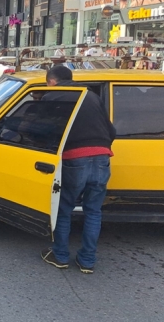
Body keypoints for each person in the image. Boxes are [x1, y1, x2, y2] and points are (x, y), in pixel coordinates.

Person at [40, 66, 116, 274]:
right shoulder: (90, 96)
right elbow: (111, 131)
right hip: (102, 157)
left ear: (52, 82)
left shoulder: (53, 97)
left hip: (74, 159)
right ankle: (87, 261)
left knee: (63, 209)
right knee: (93, 211)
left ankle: (60, 256)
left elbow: (44, 131)